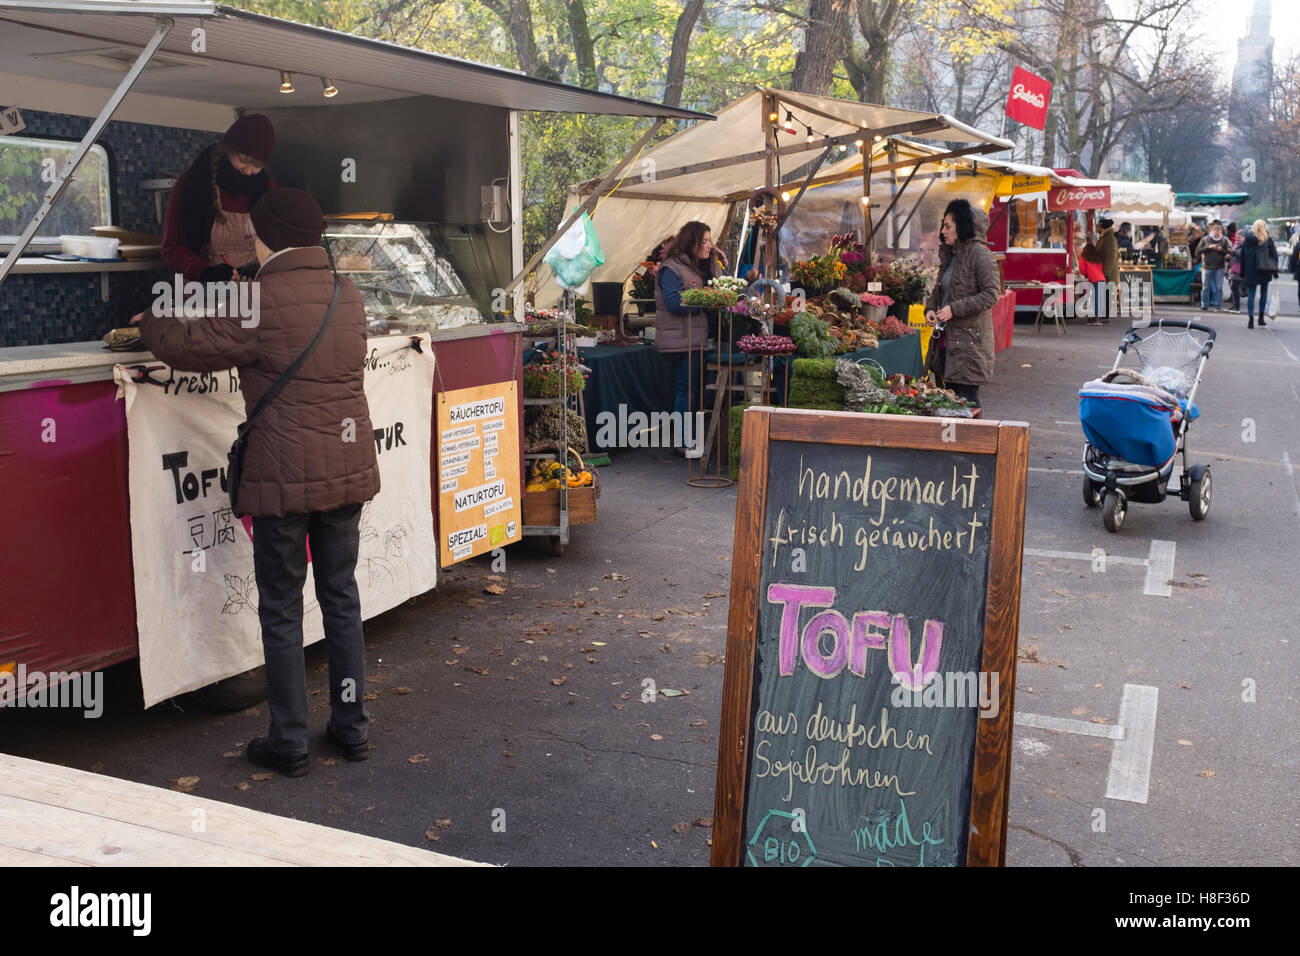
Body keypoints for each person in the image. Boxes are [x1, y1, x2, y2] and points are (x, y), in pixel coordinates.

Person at [138, 189, 380, 775]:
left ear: (264, 236)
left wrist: (149, 319)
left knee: (280, 606)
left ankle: (290, 742)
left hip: (283, 476)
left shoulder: (257, 299)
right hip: (347, 466)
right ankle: (351, 729)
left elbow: (191, 345)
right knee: (342, 600)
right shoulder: (348, 295)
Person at [161, 114, 277, 283]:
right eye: (243, 160)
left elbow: (280, 243)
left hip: (252, 287)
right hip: (201, 289)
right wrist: (205, 271)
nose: (248, 170)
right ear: (228, 151)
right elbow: (171, 247)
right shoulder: (193, 183)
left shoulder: (267, 187)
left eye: (257, 165)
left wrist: (259, 272)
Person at [924, 199, 999, 409]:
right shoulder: (950, 256)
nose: (943, 231)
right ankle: (954, 441)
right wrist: (930, 308)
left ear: (963, 226)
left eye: (948, 226)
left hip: (970, 344)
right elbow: (941, 290)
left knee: (969, 400)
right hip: (950, 340)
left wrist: (953, 310)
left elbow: (991, 295)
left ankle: (974, 441)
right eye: (943, 225)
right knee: (951, 399)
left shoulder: (981, 255)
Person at [654, 221, 721, 453]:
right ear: (691, 242)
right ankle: (684, 442)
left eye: (710, 241)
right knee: (686, 391)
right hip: (681, 341)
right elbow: (674, 302)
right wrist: (706, 301)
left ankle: (689, 439)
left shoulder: (696, 266)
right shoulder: (672, 268)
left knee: (692, 391)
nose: (709, 246)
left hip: (694, 338)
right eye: (704, 241)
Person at [1241, 218, 1279, 329]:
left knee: (1251, 295)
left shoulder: (1248, 239)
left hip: (1251, 269)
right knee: (1263, 294)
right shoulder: (1268, 240)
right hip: (1264, 269)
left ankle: (1251, 319)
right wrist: (1275, 271)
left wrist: (1243, 272)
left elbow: (1243, 256)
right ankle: (1261, 318)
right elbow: (1274, 256)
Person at [1197, 219, 1231, 312]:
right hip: (1206, 266)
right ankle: (1204, 305)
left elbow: (1228, 253)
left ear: (1221, 232)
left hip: (1219, 267)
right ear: (1212, 231)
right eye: (1215, 234)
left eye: (1218, 234)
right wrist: (1208, 247)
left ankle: (1217, 305)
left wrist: (1220, 250)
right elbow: (1198, 251)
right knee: (1205, 287)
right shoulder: (1205, 239)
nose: (1216, 236)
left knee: (1218, 287)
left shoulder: (1224, 240)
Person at [1095, 217, 1119, 322]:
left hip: (1108, 271)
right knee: (1105, 293)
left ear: (1101, 226)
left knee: (1107, 293)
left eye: (1097, 225)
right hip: (1104, 270)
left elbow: (1111, 256)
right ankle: (1104, 315)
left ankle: (1106, 316)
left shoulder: (1109, 238)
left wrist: (1106, 273)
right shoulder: (1104, 237)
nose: (1095, 227)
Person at [1078, 243, 1107, 326]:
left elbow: (1083, 271)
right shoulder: (1097, 259)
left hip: (1094, 280)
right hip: (1102, 279)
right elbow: (1101, 268)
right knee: (1099, 299)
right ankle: (1098, 317)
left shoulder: (1083, 258)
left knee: (1093, 299)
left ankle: (1094, 318)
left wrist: (1087, 274)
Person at [1226, 222, 1244, 313]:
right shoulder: (1236, 245)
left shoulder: (1244, 246)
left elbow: (1242, 256)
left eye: (1239, 237)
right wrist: (1228, 257)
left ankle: (1236, 307)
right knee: (1232, 287)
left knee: (1234, 287)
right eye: (1237, 237)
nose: (1237, 239)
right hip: (1233, 268)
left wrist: (1233, 252)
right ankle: (1234, 305)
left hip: (1239, 270)